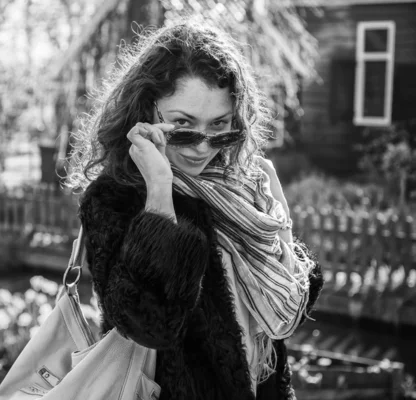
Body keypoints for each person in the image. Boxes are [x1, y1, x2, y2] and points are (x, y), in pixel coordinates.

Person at [66, 21, 323, 400]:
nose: (202, 148)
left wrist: (278, 217)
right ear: (146, 110)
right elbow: (149, 323)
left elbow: (291, 307)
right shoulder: (116, 198)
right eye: (183, 126)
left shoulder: (246, 186)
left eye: (219, 127)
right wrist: (158, 191)